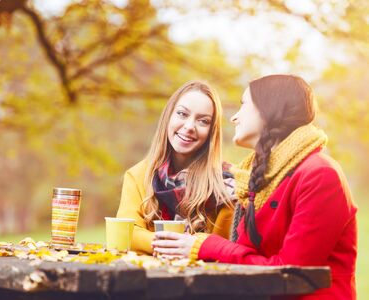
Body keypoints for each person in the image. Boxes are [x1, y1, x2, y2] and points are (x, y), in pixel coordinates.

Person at [152, 75, 357, 299]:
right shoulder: (259, 177)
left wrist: (207, 246)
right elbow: (248, 259)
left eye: (243, 105)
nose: (234, 117)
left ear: (268, 110)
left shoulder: (319, 175)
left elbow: (293, 275)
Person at [116, 80, 235, 255]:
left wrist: (190, 248)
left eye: (203, 121)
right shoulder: (138, 175)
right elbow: (127, 232)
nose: (189, 127)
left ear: (212, 131)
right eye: (182, 114)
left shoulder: (227, 185)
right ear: (168, 116)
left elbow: (222, 249)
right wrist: (177, 245)